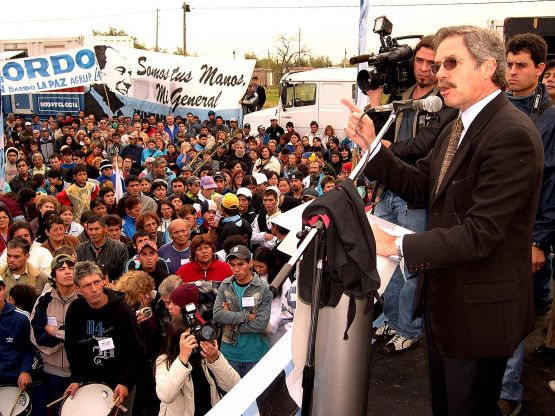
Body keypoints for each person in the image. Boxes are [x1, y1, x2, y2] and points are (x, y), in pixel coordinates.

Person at [343, 25, 543, 415]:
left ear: (488, 67)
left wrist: (395, 244)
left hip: (480, 315)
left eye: (451, 63)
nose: (439, 74)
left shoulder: (510, 133)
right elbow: (420, 185)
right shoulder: (459, 124)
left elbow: (481, 233)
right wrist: (371, 146)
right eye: (437, 65)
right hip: (447, 305)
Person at [368, 36, 458, 355]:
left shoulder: (444, 99)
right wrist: (375, 98)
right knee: (387, 260)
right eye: (419, 61)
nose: (424, 69)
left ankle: (409, 326)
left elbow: (423, 147)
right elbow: (379, 132)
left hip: (417, 193)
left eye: (432, 63)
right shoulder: (403, 93)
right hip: (388, 189)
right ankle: (392, 319)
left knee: (411, 263)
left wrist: (385, 151)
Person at [500, 33, 555, 416]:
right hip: (491, 225)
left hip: (525, 232)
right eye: (509, 64)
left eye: (522, 65)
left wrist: (538, 240)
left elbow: (550, 183)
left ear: (540, 69)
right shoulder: (495, 106)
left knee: (515, 308)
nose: (513, 71)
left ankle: (509, 390)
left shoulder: (549, 117)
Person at [64, 261, 147, 414]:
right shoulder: (75, 310)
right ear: (78, 289)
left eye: (97, 282)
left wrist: (125, 382)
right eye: (87, 285)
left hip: (119, 387)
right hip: (89, 387)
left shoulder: (122, 310)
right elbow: (72, 349)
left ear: (104, 281)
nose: (94, 289)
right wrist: (76, 378)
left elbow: (138, 352)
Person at [155, 314, 240, 416]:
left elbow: (235, 385)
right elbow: (165, 395)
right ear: (177, 340)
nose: (195, 339)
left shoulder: (205, 355)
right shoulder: (164, 361)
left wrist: (214, 360)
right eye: (189, 337)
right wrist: (182, 358)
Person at [213, 245, 272, 377]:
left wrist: (230, 320)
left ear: (250, 263)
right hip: (229, 354)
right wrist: (246, 316)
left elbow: (261, 324)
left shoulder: (264, 289)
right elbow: (217, 315)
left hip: (256, 355)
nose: (236, 269)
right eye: (232, 265)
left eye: (241, 264)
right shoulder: (225, 285)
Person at [30, 254, 79, 412]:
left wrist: (57, 333)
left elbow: (84, 335)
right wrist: (65, 338)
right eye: (61, 268)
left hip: (79, 373)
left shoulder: (84, 300)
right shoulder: (44, 301)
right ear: (53, 275)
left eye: (71, 268)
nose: (67, 272)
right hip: (51, 372)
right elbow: (37, 336)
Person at [0, 276, 34, 392]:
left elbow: (29, 348)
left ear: (4, 289)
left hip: (14, 380)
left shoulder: (21, 318)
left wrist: (25, 371)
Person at [75, 215, 129, 281]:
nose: (93, 233)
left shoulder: (120, 248)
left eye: (97, 229)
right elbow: (77, 276)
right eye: (90, 229)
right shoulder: (80, 250)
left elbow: (124, 275)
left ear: (105, 229)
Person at [85, 45, 132, 117]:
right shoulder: (87, 101)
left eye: (129, 73)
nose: (128, 82)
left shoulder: (120, 105)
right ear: (100, 72)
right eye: (120, 71)